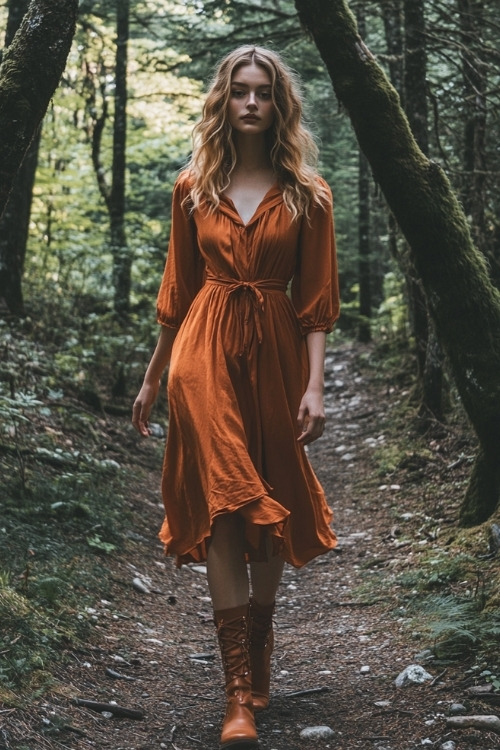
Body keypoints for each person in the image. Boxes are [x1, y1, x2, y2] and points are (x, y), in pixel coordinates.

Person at [132, 44, 340, 750]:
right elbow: (177, 292)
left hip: (278, 351)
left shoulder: (309, 194)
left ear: (281, 106)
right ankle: (236, 695)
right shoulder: (193, 185)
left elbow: (316, 302)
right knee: (224, 500)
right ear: (223, 101)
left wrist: (315, 383)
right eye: (241, 92)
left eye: (264, 93)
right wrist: (156, 375)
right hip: (203, 351)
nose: (252, 103)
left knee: (272, 495)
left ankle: (260, 640)